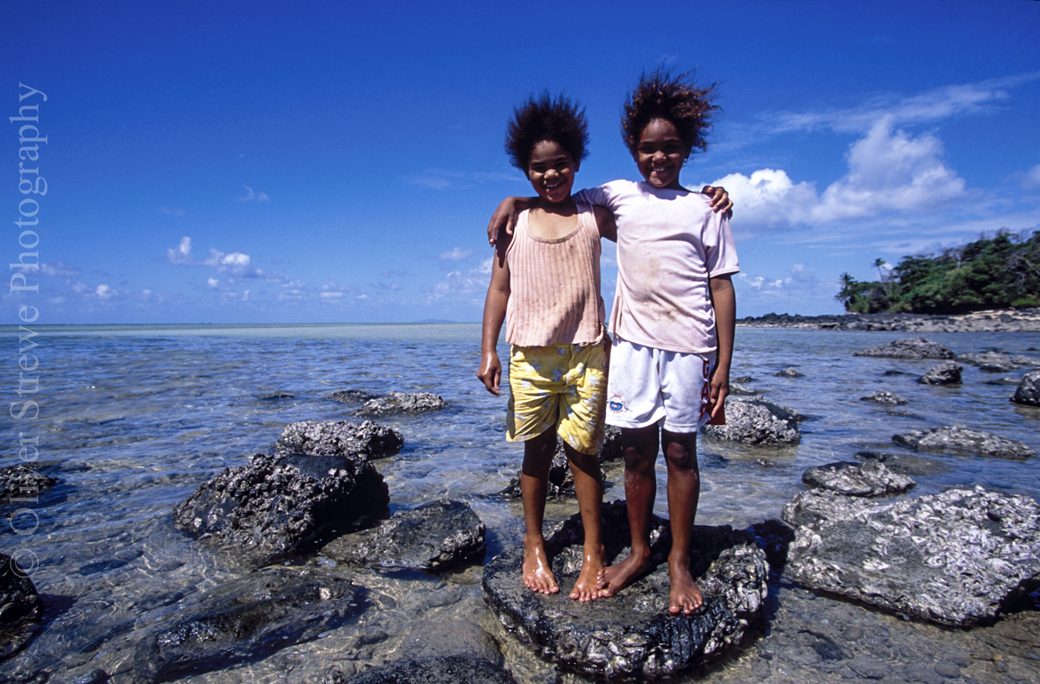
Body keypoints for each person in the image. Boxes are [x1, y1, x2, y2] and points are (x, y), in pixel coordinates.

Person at [487, 70, 737, 615]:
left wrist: (722, 365)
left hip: (685, 348)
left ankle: (677, 561)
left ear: (687, 149)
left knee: (680, 453)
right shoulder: (617, 196)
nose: (658, 157)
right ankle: (639, 550)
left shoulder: (703, 209)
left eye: (670, 148)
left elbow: (721, 285)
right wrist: (513, 200)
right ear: (632, 150)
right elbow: (555, 201)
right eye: (648, 149)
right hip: (626, 348)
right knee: (633, 453)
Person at [477, 93, 617, 602]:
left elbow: (650, 227)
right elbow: (499, 290)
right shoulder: (512, 225)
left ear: (577, 163)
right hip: (530, 356)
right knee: (535, 454)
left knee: (585, 454)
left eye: (561, 165)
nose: (551, 175)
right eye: (539, 169)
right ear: (525, 170)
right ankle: (533, 543)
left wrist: (705, 197)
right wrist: (489, 351)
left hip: (587, 352)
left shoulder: (593, 215)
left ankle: (593, 549)